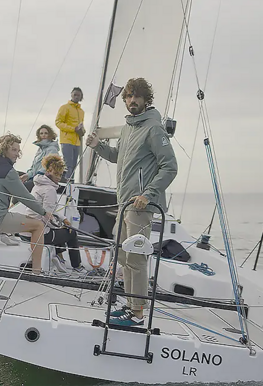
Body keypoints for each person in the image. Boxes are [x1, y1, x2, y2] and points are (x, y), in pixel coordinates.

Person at [86, 78, 178, 326]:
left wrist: (147, 194)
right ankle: (130, 305)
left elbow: (169, 167)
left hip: (141, 206)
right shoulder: (128, 128)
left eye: (136, 96)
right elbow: (118, 156)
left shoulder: (153, 128)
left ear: (146, 99)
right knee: (125, 257)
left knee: (136, 259)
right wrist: (98, 146)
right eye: (128, 97)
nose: (131, 101)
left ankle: (138, 314)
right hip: (124, 203)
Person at [0, 133, 53, 274]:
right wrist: (45, 212)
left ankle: (4, 233)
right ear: (3, 149)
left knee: (9, 214)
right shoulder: (8, 172)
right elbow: (24, 197)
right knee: (38, 226)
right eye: (13, 150)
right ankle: (37, 270)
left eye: (18, 151)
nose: (17, 154)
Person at [25, 154, 87, 274]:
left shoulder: (37, 184)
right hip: (39, 234)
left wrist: (63, 219)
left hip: (27, 231)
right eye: (56, 174)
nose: (59, 177)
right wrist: (62, 226)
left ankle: (59, 257)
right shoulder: (50, 190)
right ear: (48, 171)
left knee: (62, 229)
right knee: (71, 232)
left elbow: (49, 211)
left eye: (60, 174)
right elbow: (47, 217)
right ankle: (77, 266)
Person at [55, 87, 85, 181]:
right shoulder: (65, 107)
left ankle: (70, 183)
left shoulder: (81, 111)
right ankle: (65, 183)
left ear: (81, 97)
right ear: (71, 95)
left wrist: (82, 131)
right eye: (74, 94)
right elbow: (58, 122)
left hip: (77, 141)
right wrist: (73, 129)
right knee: (67, 164)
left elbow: (81, 126)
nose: (76, 97)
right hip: (67, 140)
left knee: (74, 165)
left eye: (78, 95)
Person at [19, 125, 60, 191]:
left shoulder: (52, 149)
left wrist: (35, 176)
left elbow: (48, 168)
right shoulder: (40, 150)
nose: (43, 135)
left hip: (44, 179)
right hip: (35, 177)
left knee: (21, 188)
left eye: (46, 133)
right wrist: (27, 176)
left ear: (50, 134)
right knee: (16, 180)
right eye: (41, 133)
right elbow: (34, 168)